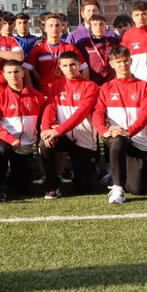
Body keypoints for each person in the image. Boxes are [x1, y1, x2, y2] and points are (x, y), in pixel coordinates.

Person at [94, 46, 147, 204]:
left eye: (126, 61)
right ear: (112, 64)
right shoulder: (106, 88)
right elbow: (98, 113)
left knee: (137, 189)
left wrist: (129, 131)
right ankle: (117, 188)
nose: (123, 65)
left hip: (138, 138)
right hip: (116, 136)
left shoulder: (145, 87)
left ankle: (120, 173)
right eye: (118, 62)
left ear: (131, 61)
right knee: (118, 141)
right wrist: (103, 131)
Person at [38, 51, 100, 199]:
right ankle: (53, 186)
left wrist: (58, 130)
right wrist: (46, 130)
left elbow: (81, 113)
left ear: (79, 65)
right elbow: (50, 108)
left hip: (83, 140)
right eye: (65, 65)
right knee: (44, 144)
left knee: (84, 189)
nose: (70, 68)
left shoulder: (91, 86)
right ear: (59, 67)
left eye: (73, 64)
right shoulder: (56, 86)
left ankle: (83, 172)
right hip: (62, 136)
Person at [0, 59, 43, 199]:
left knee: (22, 189)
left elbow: (43, 121)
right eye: (9, 72)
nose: (13, 75)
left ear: (23, 73)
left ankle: (15, 174)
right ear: (4, 75)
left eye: (16, 71)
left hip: (26, 146)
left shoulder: (37, 96)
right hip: (7, 142)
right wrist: (10, 139)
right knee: (2, 149)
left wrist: (42, 137)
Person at [24, 13, 78, 95]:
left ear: (62, 27)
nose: (54, 28)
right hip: (46, 93)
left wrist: (79, 88)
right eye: (51, 25)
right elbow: (26, 69)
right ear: (45, 28)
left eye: (57, 25)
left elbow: (84, 68)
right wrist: (31, 91)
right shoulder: (38, 49)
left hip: (68, 92)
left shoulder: (70, 48)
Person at [74, 13, 121, 85]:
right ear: (90, 28)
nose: (99, 27)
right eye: (95, 25)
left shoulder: (114, 41)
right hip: (93, 83)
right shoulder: (83, 44)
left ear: (106, 27)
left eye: (101, 24)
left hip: (112, 83)